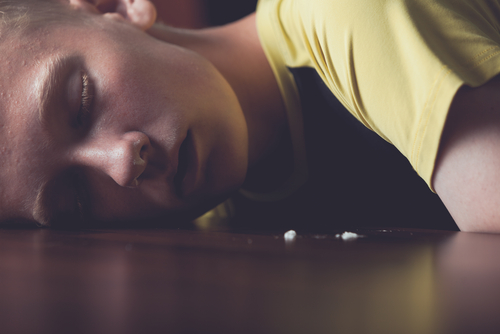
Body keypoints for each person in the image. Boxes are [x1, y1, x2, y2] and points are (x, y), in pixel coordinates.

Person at [1, 0, 500, 232]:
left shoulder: (348, 12)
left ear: (119, 9)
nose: (121, 164)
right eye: (75, 200)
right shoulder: (217, 219)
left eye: (82, 100)